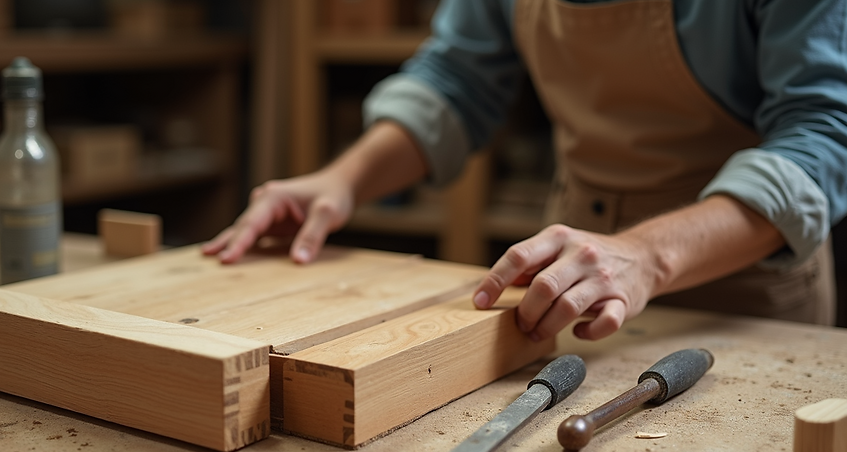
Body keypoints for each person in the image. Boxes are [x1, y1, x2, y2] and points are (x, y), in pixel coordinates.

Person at [204, 0, 847, 342]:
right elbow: (458, 77)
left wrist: (645, 256)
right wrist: (345, 178)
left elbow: (822, 135)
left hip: (740, 288)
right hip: (572, 278)